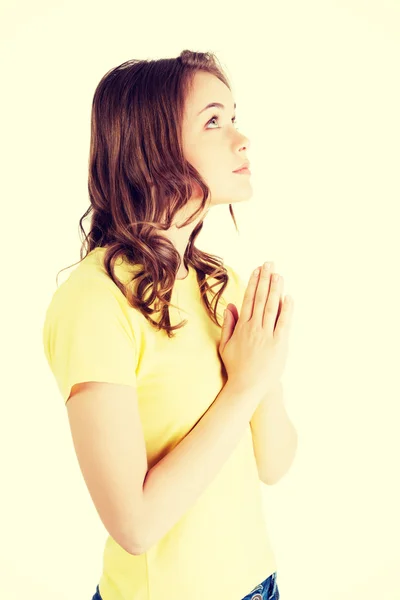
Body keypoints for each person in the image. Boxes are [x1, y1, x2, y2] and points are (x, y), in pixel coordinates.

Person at [42, 50, 292, 600]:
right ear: (152, 148)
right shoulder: (93, 301)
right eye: (213, 121)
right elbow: (134, 525)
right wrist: (245, 383)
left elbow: (274, 463)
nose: (241, 138)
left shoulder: (221, 281)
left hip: (261, 583)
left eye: (234, 117)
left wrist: (265, 367)